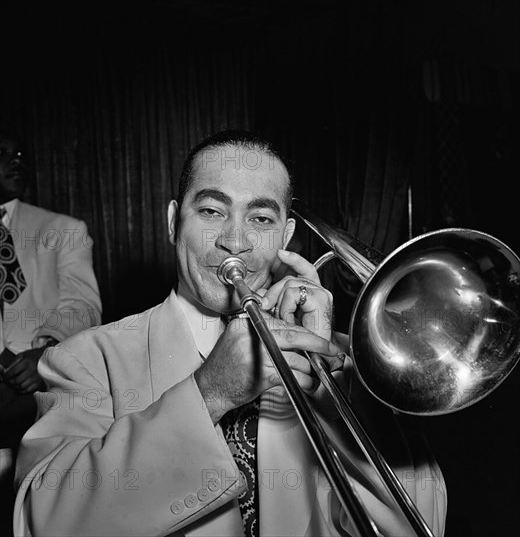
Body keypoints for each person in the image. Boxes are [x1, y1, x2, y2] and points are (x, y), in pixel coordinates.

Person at [12, 130, 447, 536]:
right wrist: (209, 393)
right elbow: (41, 520)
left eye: (260, 218)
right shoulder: (87, 358)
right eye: (211, 211)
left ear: (286, 237)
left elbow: (420, 519)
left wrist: (338, 394)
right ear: (172, 222)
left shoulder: (344, 365)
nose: (234, 241)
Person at [0, 129, 102, 536]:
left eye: (21, 152)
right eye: (3, 152)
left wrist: (43, 355)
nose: (17, 159)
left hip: (38, 384)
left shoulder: (63, 228)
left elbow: (82, 304)